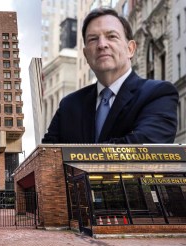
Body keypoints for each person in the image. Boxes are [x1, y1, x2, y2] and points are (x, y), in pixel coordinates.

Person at [42, 8, 178, 144]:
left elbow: (143, 148)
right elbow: (46, 155)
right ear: (86, 55)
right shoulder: (69, 106)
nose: (102, 45)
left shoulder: (159, 94)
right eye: (93, 39)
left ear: (130, 49)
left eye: (112, 36)